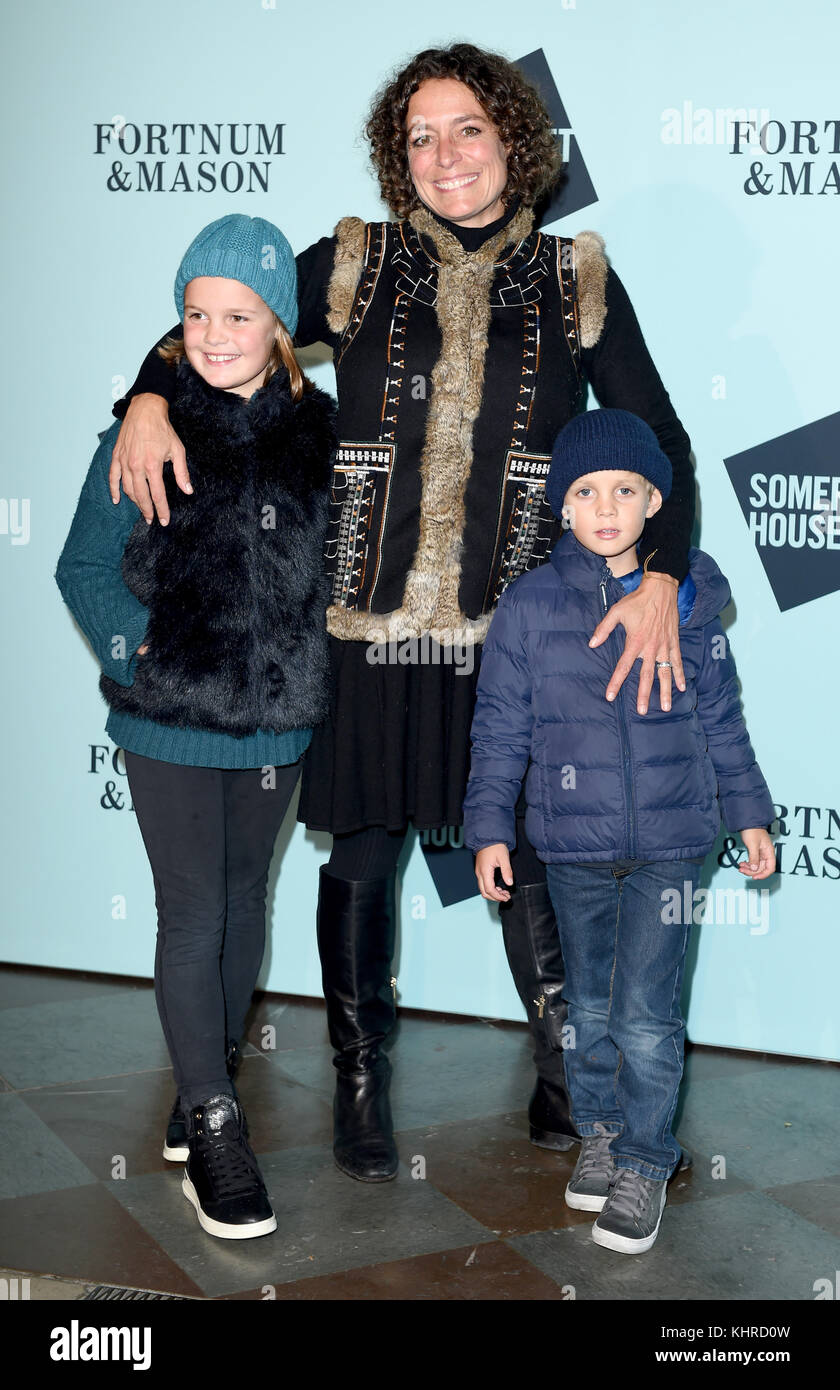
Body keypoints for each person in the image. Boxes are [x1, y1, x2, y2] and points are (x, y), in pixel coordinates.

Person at [105, 43, 698, 1182]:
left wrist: (662, 574)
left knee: (530, 849)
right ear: (398, 155)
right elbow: (226, 328)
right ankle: (360, 1086)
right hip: (367, 621)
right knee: (364, 853)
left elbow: (658, 433)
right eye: (420, 135)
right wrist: (146, 387)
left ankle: (573, 1078)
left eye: (466, 128)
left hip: (522, 628)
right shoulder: (357, 263)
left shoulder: (575, 274)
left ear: (512, 143)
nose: (444, 154)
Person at [55, 214, 337, 1238]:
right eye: (195, 312)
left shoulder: (327, 438)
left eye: (240, 313)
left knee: (240, 900)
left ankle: (196, 1081)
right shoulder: (144, 428)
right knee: (191, 915)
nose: (215, 334)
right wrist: (151, 661)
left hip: (275, 730)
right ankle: (216, 1122)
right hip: (167, 725)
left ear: (280, 325)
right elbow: (81, 568)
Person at [464, 407, 775, 1253]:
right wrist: (489, 825)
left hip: (671, 848)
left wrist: (748, 812)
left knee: (645, 1014)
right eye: (587, 491)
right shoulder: (528, 607)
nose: (606, 507)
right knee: (588, 1010)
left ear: (655, 504)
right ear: (562, 506)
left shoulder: (693, 602)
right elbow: (500, 727)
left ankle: (645, 1157)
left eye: (626, 490)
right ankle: (600, 1131)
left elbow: (723, 723)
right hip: (569, 847)